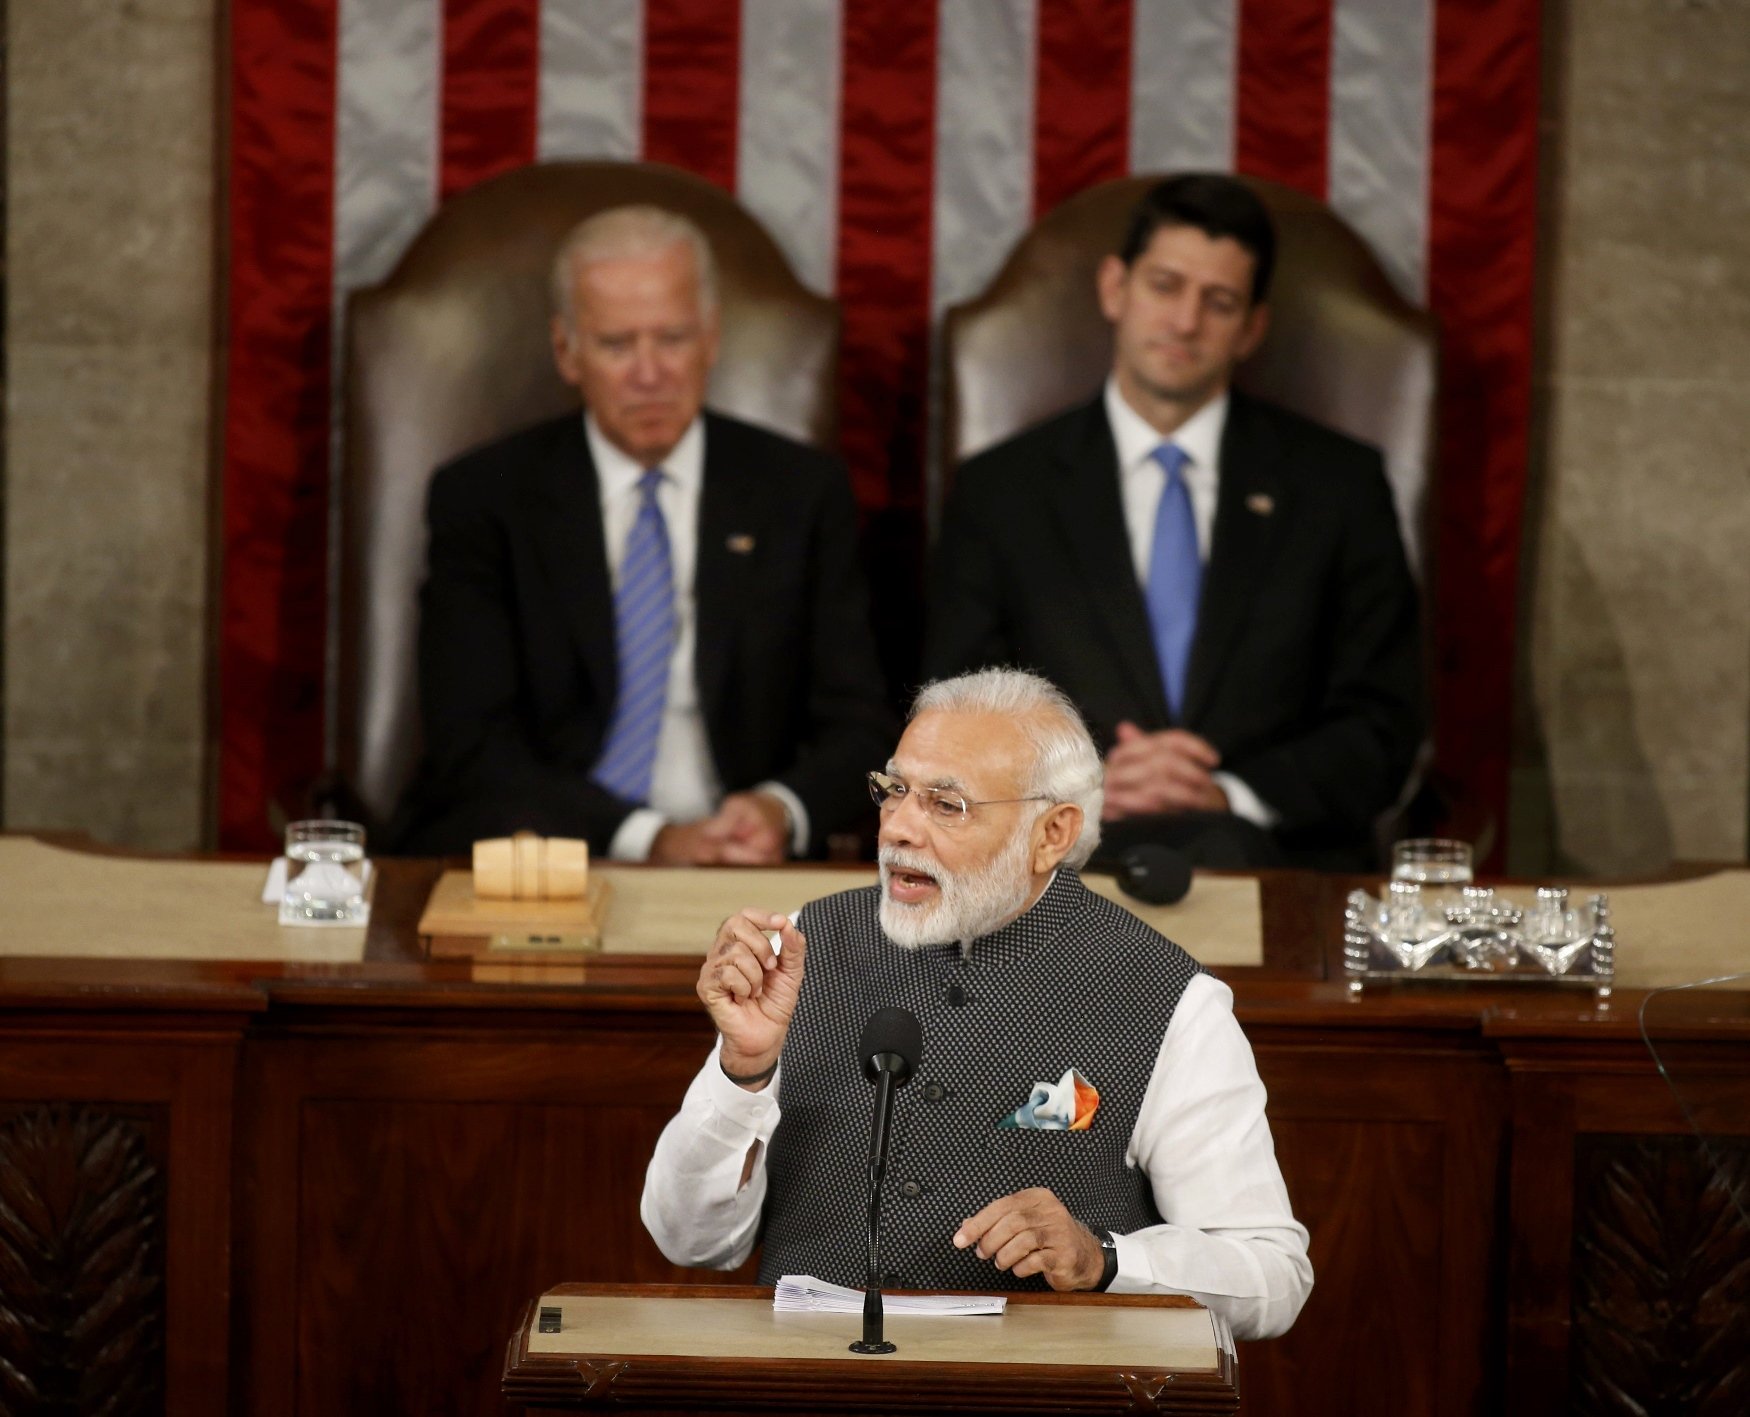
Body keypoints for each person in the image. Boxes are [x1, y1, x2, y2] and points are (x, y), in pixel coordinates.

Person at [640, 668, 1311, 1340]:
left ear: (1052, 833)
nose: (898, 828)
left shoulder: (1166, 998)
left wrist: (1104, 1257)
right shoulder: (803, 948)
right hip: (810, 1385)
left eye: (946, 804)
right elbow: (690, 1242)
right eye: (894, 790)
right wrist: (743, 1069)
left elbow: (1273, 1277)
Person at [924, 174, 1422, 870]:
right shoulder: (1001, 491)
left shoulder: (1338, 486)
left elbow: (1384, 725)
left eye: (1218, 302)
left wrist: (1228, 794)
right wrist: (1086, 783)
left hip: (1281, 872)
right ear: (1114, 290)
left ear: (1251, 328)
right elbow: (955, 717)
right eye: (1165, 286)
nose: (1185, 321)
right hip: (1054, 881)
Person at [391, 206, 893, 863]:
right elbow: (472, 744)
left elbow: (861, 724)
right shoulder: (485, 498)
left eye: (673, 338)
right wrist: (649, 837)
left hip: (744, 863)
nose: (649, 372)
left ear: (712, 339)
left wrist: (781, 807)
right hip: (550, 852)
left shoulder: (800, 492)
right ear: (566, 351)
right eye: (617, 344)